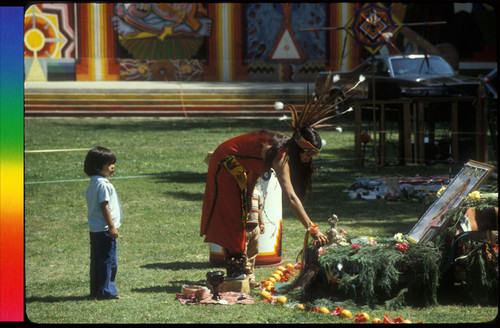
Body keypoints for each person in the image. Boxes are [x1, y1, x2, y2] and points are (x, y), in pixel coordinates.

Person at [200, 126, 329, 278]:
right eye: (308, 154)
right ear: (299, 148)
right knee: (234, 214)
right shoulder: (281, 154)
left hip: (237, 164)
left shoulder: (283, 146)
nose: (309, 160)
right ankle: (236, 271)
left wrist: (249, 192)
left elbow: (257, 166)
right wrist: (312, 229)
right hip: (226, 162)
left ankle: (241, 270)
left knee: (241, 212)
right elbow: (291, 197)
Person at [84, 146, 123, 300]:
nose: (113, 167)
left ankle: (96, 290)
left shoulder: (93, 183)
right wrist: (112, 227)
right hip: (105, 229)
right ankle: (106, 291)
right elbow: (104, 206)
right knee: (109, 261)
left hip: (95, 229)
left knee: (97, 260)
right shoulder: (103, 185)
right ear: (97, 167)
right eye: (109, 164)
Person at [245, 184, 265, 287]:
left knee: (253, 252)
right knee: (243, 253)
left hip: (255, 227)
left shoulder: (257, 192)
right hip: (243, 228)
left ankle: (251, 277)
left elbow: (258, 209)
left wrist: (261, 223)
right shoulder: (241, 190)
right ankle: (243, 277)